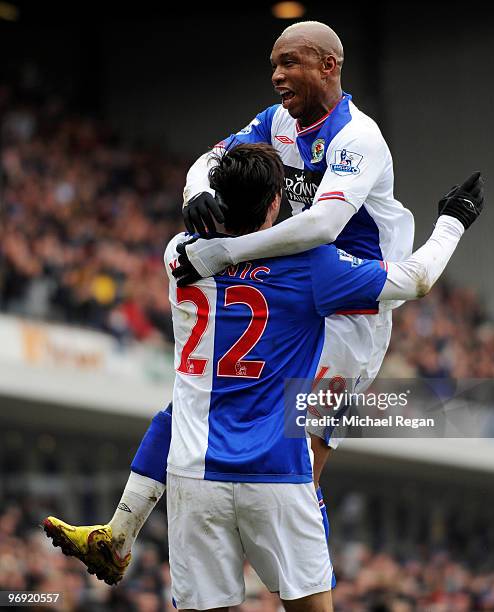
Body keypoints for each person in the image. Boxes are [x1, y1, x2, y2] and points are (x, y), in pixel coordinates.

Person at [42, 19, 449, 585]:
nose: (278, 75)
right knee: (196, 402)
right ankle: (118, 536)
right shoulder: (277, 121)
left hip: (351, 306)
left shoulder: (359, 138)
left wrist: (224, 252)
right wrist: (198, 193)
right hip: (293, 277)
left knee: (300, 461)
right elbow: (210, 157)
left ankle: (305, 580)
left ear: (330, 66)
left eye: (292, 63)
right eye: (274, 64)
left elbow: (324, 225)